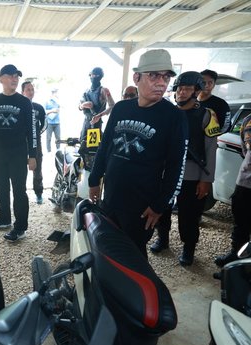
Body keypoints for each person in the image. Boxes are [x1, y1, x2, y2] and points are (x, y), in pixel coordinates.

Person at [88, 49, 187, 258]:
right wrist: (94, 179)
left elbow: (177, 166)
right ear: (137, 77)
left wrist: (160, 205)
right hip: (112, 196)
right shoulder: (121, 108)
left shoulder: (174, 117)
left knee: (133, 255)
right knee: (108, 247)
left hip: (142, 206)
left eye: (166, 77)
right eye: (154, 75)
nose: (162, 82)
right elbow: (105, 147)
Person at [150, 71, 219, 266]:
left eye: (187, 88)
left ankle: (189, 248)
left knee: (189, 214)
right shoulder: (167, 113)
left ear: (196, 91)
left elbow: (210, 149)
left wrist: (207, 180)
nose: (181, 92)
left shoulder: (207, 115)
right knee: (161, 207)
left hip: (192, 173)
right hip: (166, 171)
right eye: (179, 88)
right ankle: (162, 239)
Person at [0, 64, 37, 242]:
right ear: (1, 79)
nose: (14, 79)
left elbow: (32, 131)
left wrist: (32, 155)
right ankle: (4, 218)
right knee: (1, 188)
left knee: (19, 191)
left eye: (16, 76)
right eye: (11, 76)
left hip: (18, 154)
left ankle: (20, 227)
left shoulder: (24, 102)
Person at [214, 113, 251, 267]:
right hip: (246, 183)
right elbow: (245, 149)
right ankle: (237, 257)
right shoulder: (248, 120)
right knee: (241, 223)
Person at [22, 81, 46, 204]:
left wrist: (36, 133)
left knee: (37, 167)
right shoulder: (19, 106)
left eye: (32, 89)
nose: (31, 92)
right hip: (20, 142)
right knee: (20, 168)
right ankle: (20, 193)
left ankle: (38, 193)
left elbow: (44, 124)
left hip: (36, 142)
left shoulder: (39, 107)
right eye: (28, 90)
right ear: (22, 92)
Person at [79, 67, 115, 145]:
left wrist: (99, 116)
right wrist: (83, 105)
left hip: (95, 124)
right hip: (86, 122)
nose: (93, 77)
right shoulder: (86, 91)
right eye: (92, 75)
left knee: (92, 148)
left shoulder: (104, 90)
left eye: (95, 75)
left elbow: (112, 105)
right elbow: (79, 106)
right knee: (82, 144)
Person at [198, 69, 231, 135]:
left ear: (214, 85)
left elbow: (226, 127)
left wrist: (212, 138)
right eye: (203, 82)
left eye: (210, 82)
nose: (206, 85)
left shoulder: (221, 104)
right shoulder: (191, 101)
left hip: (209, 143)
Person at [45, 88, 60, 152]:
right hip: (49, 122)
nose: (56, 94)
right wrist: (52, 110)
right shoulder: (47, 101)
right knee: (48, 138)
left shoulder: (58, 101)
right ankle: (49, 151)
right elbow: (44, 111)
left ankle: (58, 150)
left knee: (58, 138)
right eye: (55, 92)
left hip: (57, 122)